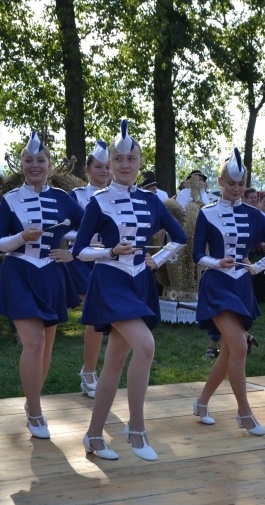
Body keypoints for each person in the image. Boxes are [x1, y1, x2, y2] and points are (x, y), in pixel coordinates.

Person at [75, 120, 186, 460]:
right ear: (109, 163)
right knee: (146, 345)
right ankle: (136, 428)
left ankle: (94, 436)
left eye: (131, 159)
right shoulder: (98, 201)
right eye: (118, 159)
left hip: (138, 281)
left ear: (139, 163)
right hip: (110, 283)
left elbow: (179, 237)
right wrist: (109, 252)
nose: (124, 165)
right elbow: (80, 250)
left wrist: (158, 260)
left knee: (114, 361)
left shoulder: (153, 202)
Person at [191, 148, 265, 435]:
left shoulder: (255, 216)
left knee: (231, 350)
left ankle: (202, 402)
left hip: (242, 285)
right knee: (240, 346)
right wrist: (216, 262)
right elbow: (196, 255)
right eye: (231, 183)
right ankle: (244, 413)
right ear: (220, 182)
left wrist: (259, 268)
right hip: (217, 285)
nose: (236, 188)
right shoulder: (206, 213)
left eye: (241, 184)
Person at [0, 132, 84, 439]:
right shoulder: (9, 200)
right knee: (33, 343)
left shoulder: (64, 199)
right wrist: (21, 237)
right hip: (19, 273)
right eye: (29, 160)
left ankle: (31, 401)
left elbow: (87, 229)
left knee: (47, 345)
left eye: (40, 160)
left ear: (50, 165)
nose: (35, 165)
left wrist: (71, 249)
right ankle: (35, 410)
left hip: (50, 273)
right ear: (21, 164)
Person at [67, 140, 113, 398]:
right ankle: (89, 373)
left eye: (108, 167)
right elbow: (67, 231)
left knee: (105, 319)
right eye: (99, 167)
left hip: (109, 261)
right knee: (96, 317)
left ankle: (92, 371)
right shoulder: (77, 196)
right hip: (84, 262)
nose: (104, 171)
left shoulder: (118, 195)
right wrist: (90, 236)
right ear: (87, 169)